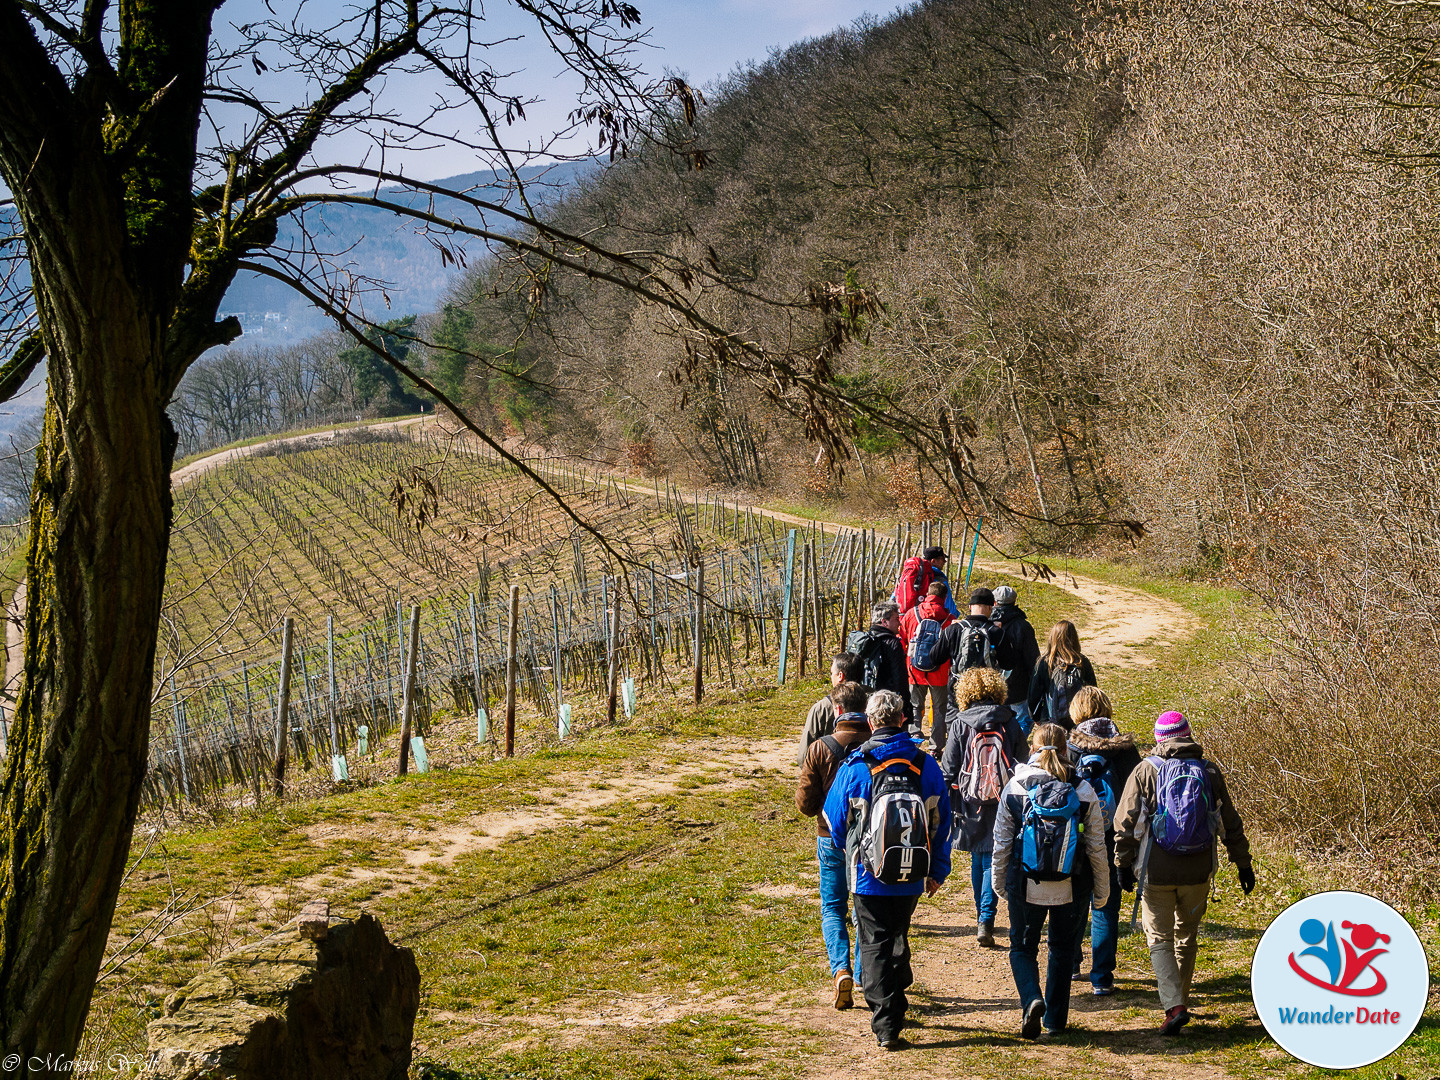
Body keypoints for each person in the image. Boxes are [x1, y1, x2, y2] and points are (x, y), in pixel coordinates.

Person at [824, 689, 952, 1051]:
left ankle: (886, 1025)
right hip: (913, 872)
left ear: (870, 721)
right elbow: (942, 822)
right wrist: (938, 869)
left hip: (868, 875)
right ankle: (897, 997)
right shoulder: (925, 765)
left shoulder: (855, 766)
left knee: (874, 944)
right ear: (901, 719)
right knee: (897, 933)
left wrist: (850, 851)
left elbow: (834, 822)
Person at [1115, 711, 1254, 1035]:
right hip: (1198, 871)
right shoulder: (1208, 771)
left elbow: (1123, 825)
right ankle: (1181, 1002)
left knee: (1160, 939)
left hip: (1156, 872)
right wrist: (1243, 863)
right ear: (1188, 736)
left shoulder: (1145, 771)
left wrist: (1122, 865)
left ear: (1159, 739)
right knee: (1186, 936)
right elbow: (1230, 823)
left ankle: (1174, 1006)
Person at [991, 723, 1109, 1039]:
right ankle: (1055, 1020)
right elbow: (1097, 844)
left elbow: (1002, 841)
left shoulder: (1016, 786)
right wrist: (1102, 890)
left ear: (1033, 748)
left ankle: (1031, 999)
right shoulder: (1083, 789)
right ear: (1067, 748)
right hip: (1073, 880)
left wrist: (999, 882)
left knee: (1022, 947)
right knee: (1062, 947)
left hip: (1026, 879)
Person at [795, 680, 872, 1009]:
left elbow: (805, 804)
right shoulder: (875, 746)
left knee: (832, 908)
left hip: (829, 838)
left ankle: (839, 969)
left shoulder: (820, 748)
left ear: (837, 710)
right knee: (864, 910)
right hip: (869, 841)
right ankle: (860, 973)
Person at [939, 666, 1027, 947]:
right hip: (1005, 799)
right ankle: (986, 918)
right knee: (993, 855)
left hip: (969, 800)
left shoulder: (961, 723)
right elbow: (1023, 761)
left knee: (979, 857)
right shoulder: (1010, 720)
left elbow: (949, 767)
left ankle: (982, 914)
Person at [1064, 687, 1141, 994]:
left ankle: (1070, 964)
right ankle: (1102, 979)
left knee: (1074, 904)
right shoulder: (1125, 750)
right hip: (1115, 838)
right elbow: (1138, 797)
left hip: (1078, 839)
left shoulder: (1069, 747)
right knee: (1106, 907)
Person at [899, 581, 954, 751]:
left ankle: (915, 736)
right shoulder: (949, 618)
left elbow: (902, 638)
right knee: (939, 709)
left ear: (927, 594)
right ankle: (936, 747)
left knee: (915, 705)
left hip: (915, 669)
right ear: (944, 598)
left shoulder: (911, 614)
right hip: (940, 671)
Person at [847, 602, 915, 732]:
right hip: (888, 703)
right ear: (884, 622)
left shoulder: (864, 642)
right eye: (896, 619)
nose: (899, 623)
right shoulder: (893, 644)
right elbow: (900, 678)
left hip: (865, 701)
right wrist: (905, 708)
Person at [1027, 621, 1097, 730]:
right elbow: (1093, 691)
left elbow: (1034, 695)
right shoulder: (1082, 661)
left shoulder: (1045, 662)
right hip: (1079, 720)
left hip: (1051, 720)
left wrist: (1036, 717)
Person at [990, 585, 1040, 733]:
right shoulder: (1023, 626)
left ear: (994, 602)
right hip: (1018, 685)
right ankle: (1016, 747)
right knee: (1023, 719)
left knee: (997, 719)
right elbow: (1033, 658)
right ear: (1015, 601)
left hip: (993, 683)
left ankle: (1002, 746)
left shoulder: (987, 623)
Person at [796, 652, 858, 764]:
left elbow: (804, 755)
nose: (830, 677)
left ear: (840, 676)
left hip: (829, 774)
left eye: (831, 673)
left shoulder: (822, 708)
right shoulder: (876, 702)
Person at [894, 544, 962, 618]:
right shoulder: (940, 579)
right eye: (943, 559)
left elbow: (896, 595)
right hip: (927, 619)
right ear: (933, 561)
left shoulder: (913, 574)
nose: (944, 562)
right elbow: (950, 607)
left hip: (906, 617)